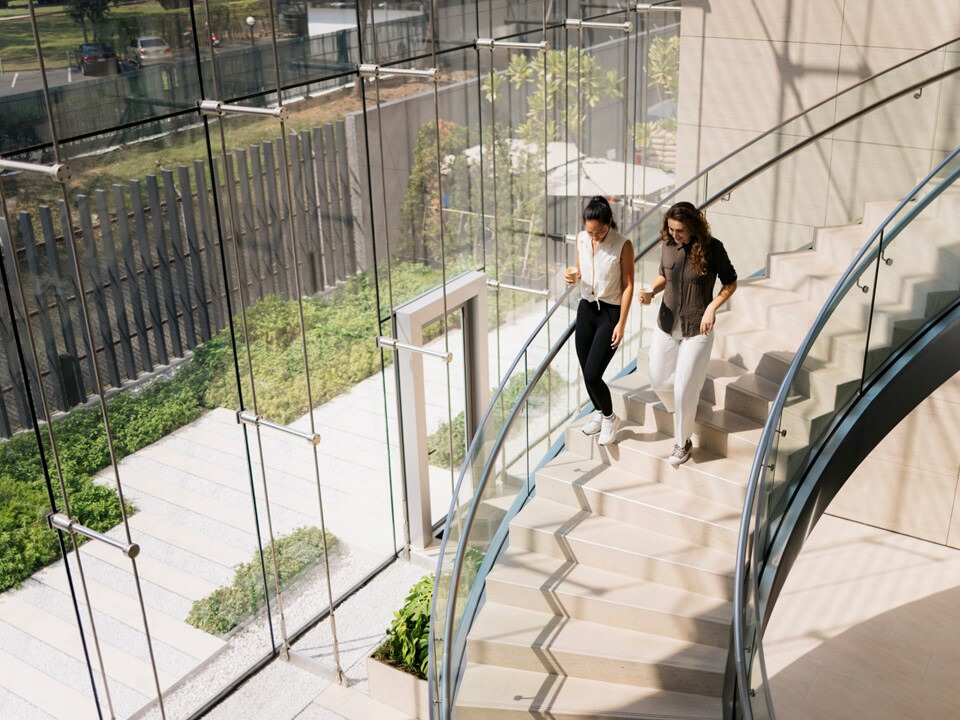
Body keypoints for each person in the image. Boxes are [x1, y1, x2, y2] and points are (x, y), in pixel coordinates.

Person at [638, 201, 737, 466]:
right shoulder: (668, 246)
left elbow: (730, 282)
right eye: (670, 229)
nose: (674, 234)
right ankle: (683, 407)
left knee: (683, 390)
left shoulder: (713, 248)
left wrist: (712, 308)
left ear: (693, 226)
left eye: (679, 230)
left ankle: (682, 443)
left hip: (698, 328)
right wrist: (650, 291)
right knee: (658, 380)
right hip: (667, 323)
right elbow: (664, 277)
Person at [565, 196, 635, 446]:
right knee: (586, 372)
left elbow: (628, 286)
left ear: (609, 223)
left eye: (599, 231)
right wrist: (573, 277)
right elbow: (579, 268)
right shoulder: (581, 239)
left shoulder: (622, 245)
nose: (594, 236)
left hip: (610, 312)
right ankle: (598, 411)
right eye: (590, 231)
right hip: (586, 308)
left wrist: (621, 324)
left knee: (594, 373)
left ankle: (609, 416)